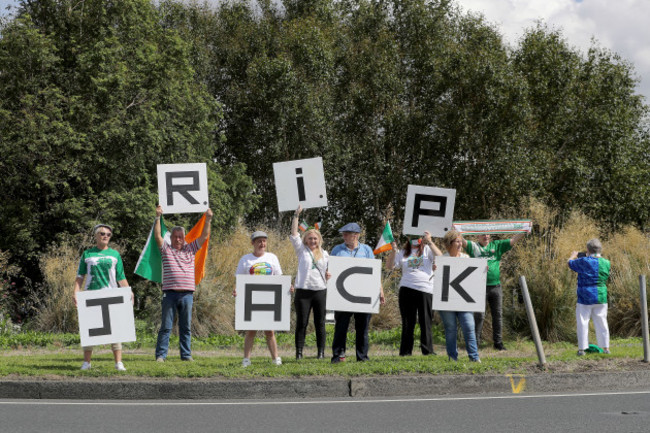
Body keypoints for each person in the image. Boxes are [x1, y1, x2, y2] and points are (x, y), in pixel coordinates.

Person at [154, 205, 212, 362]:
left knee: (185, 327)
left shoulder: (191, 248)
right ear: (171, 238)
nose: (178, 239)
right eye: (175, 236)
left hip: (187, 294)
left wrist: (208, 219)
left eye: (180, 236)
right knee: (166, 327)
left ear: (184, 238)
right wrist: (158, 217)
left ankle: (186, 355)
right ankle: (161, 355)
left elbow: (204, 236)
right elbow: (158, 236)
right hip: (170, 294)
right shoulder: (166, 249)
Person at [73, 224, 132, 371]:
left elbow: (120, 276)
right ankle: (87, 363)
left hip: (111, 295)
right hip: (91, 295)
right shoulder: (87, 254)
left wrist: (128, 291)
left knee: (115, 330)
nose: (105, 236)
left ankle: (118, 362)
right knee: (90, 331)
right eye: (102, 233)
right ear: (96, 236)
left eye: (108, 234)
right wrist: (76, 292)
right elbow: (80, 276)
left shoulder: (115, 254)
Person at [330, 223, 385, 363]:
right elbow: (330, 270)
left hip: (363, 295)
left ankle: (362, 357)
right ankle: (338, 356)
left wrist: (380, 290)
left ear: (356, 235)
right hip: (343, 295)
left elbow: (374, 272)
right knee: (341, 328)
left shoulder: (366, 250)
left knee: (362, 328)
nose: (343, 236)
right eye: (343, 234)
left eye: (346, 234)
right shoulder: (337, 250)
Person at [463, 232, 526, 350]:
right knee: (479, 316)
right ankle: (475, 343)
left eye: (488, 234)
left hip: (495, 287)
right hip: (479, 287)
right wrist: (454, 230)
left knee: (497, 315)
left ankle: (498, 343)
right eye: (482, 234)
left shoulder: (496, 245)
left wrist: (524, 231)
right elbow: (461, 241)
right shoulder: (474, 247)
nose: (486, 236)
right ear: (478, 236)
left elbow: (513, 240)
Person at [386, 231, 442, 356]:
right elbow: (389, 267)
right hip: (407, 288)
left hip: (425, 289)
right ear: (408, 238)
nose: (415, 239)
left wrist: (430, 241)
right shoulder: (402, 252)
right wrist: (394, 251)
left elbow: (441, 256)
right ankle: (405, 351)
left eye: (418, 237)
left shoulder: (427, 250)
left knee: (426, 321)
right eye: (412, 237)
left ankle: (427, 350)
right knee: (408, 322)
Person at [234, 231, 283, 367]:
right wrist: (236, 289)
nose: (262, 244)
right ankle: (246, 359)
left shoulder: (272, 257)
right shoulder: (245, 259)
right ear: (253, 243)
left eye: (264, 241)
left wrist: (287, 288)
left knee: (270, 331)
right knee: (251, 330)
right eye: (259, 241)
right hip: (251, 298)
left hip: (269, 297)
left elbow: (280, 278)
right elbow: (239, 279)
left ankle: (275, 358)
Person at [290, 205, 331, 360]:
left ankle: (320, 353)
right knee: (302, 323)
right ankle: (299, 353)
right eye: (310, 238)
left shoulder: (325, 254)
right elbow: (294, 234)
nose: (312, 241)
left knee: (320, 323)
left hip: (320, 290)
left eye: (315, 238)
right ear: (305, 239)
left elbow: (329, 271)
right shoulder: (301, 250)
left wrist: (329, 274)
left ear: (319, 240)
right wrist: (296, 215)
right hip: (303, 291)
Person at [438, 230, 480, 362]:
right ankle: (452, 358)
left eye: (461, 241)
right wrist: (435, 269)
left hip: (464, 300)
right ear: (449, 243)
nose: (460, 243)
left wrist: (482, 270)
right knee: (450, 329)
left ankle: (474, 357)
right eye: (457, 241)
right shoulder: (441, 259)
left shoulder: (466, 258)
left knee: (469, 327)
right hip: (447, 300)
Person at [568, 239, 611, 356]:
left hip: (585, 297)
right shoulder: (607, 263)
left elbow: (570, 264)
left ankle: (582, 349)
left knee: (583, 322)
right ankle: (606, 348)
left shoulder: (583, 261)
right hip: (601, 296)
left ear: (587, 250)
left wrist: (573, 256)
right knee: (602, 322)